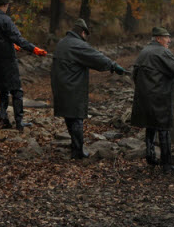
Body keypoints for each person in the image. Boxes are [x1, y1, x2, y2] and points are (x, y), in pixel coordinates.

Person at [51, 18, 126, 158]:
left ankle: (75, 147)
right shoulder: (77, 44)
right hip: (72, 87)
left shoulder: (62, 43)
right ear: (82, 33)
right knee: (77, 117)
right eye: (86, 34)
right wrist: (114, 66)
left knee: (69, 117)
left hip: (60, 86)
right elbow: (96, 57)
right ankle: (78, 151)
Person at [0, 0, 47, 131]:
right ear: (6, 5)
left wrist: (10, 44)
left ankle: (4, 119)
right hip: (6, 60)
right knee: (16, 91)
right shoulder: (5, 20)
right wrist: (33, 49)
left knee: (3, 90)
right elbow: (17, 38)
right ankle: (19, 122)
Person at [131, 26, 174, 173]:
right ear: (158, 39)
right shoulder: (162, 52)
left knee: (150, 126)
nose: (169, 40)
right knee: (164, 129)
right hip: (160, 97)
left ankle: (150, 157)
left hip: (143, 98)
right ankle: (167, 164)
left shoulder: (144, 52)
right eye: (166, 37)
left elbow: (134, 74)